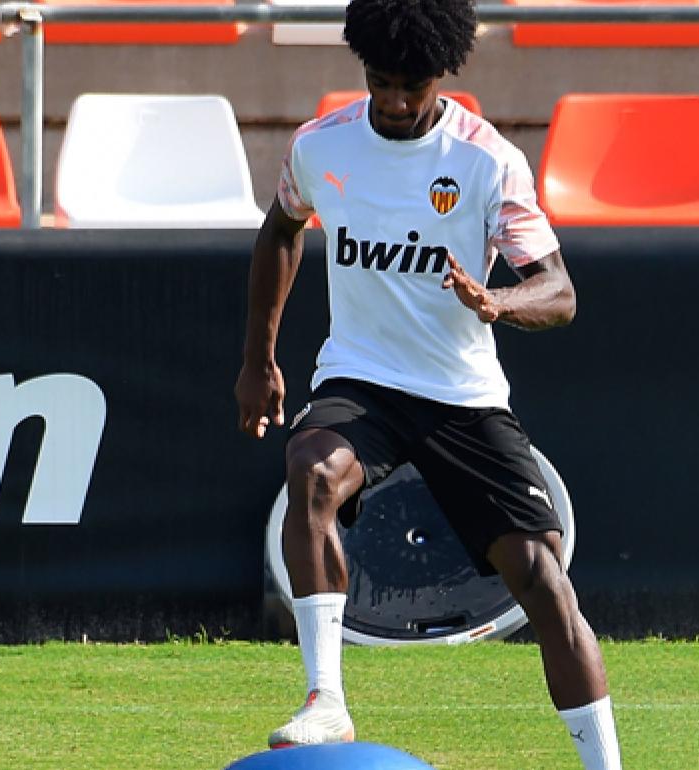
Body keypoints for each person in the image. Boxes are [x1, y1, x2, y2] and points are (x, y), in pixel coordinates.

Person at [233, 0, 623, 767]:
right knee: (312, 471)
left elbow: (559, 291)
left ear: (442, 75)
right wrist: (259, 358)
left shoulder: (486, 161)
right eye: (382, 83)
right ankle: (325, 701)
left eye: (413, 85)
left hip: (462, 395)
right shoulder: (322, 146)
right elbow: (282, 227)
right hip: (362, 380)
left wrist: (498, 300)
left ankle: (603, 764)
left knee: (544, 582)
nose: (398, 101)